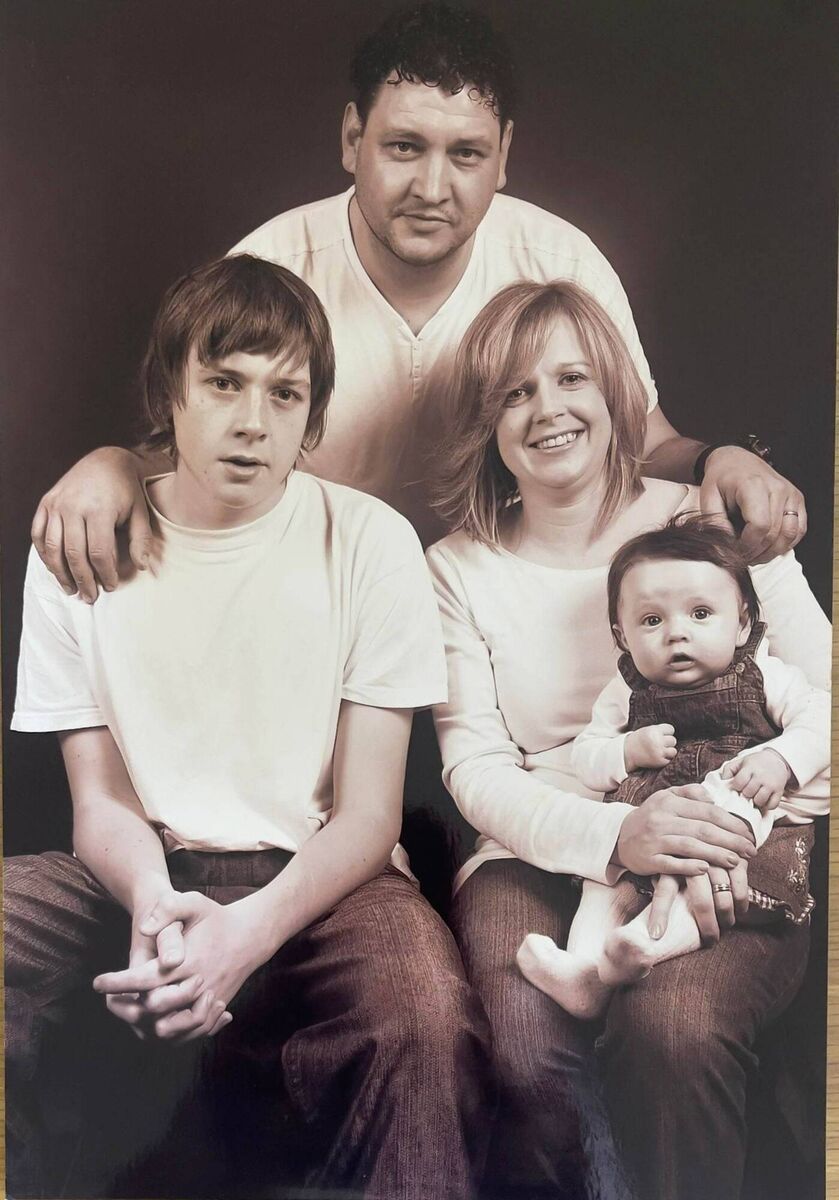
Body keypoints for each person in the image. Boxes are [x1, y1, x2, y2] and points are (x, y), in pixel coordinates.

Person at [29, 3, 805, 603]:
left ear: (502, 156)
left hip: (499, 608)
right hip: (320, 604)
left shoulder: (557, 261)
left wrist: (723, 459)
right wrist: (112, 464)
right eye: (404, 147)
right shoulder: (271, 266)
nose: (432, 189)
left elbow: (639, 440)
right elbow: (200, 454)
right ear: (350, 140)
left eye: (464, 154)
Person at [5, 254, 492, 1199]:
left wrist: (243, 936)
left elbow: (367, 816)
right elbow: (97, 800)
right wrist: (151, 899)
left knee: (428, 1016)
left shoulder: (367, 540)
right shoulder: (80, 548)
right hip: (137, 870)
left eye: (284, 394)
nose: (251, 421)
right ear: (169, 393)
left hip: (327, 877)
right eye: (223, 383)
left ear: (313, 419)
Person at [425, 279, 830, 1200]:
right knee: (521, 1049)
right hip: (538, 839)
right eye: (515, 392)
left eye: (570, 378)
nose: (548, 410)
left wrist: (738, 818)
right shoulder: (454, 567)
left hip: (731, 832)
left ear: (615, 394)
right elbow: (475, 768)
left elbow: (825, 706)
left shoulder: (712, 517)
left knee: (672, 1031)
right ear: (487, 421)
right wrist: (615, 837)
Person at [517, 515, 829, 1021]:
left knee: (711, 866)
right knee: (603, 885)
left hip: (740, 824)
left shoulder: (766, 675)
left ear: (743, 622)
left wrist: (781, 758)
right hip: (646, 830)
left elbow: (823, 718)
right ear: (623, 635)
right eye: (652, 621)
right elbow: (587, 756)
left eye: (701, 613)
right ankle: (584, 974)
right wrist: (626, 752)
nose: (677, 634)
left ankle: (645, 946)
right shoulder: (626, 692)